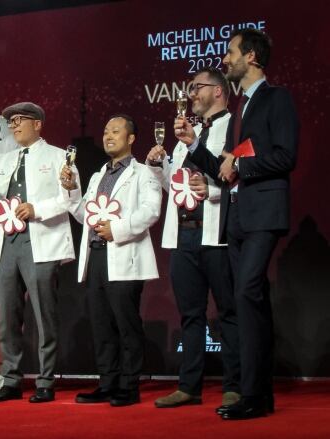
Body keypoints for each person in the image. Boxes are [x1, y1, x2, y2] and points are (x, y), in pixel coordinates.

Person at [174, 28, 299, 420]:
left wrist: (240, 164)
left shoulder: (276, 99)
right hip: (237, 217)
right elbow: (223, 171)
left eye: (230, 53)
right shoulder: (240, 111)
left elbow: (285, 156)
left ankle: (250, 392)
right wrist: (195, 146)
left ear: (253, 58)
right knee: (250, 300)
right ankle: (258, 394)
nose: (225, 59)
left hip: (263, 213)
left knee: (245, 294)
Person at [147, 68, 241, 409]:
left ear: (217, 91)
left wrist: (213, 189)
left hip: (216, 233)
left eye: (196, 88)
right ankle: (189, 386)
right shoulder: (190, 132)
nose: (191, 95)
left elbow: (235, 177)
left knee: (229, 311)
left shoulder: (235, 127)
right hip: (184, 236)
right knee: (190, 314)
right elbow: (178, 185)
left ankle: (235, 385)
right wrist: (160, 167)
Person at [0, 102, 81, 403]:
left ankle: (46, 380)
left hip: (40, 240)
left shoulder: (60, 156)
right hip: (7, 242)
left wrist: (37, 209)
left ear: (38, 124)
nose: (14, 126)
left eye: (20, 120)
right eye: (11, 122)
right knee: (8, 315)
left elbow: (69, 199)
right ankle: (11, 378)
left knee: (44, 314)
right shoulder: (2, 160)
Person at [64, 114, 161, 407]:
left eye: (116, 131)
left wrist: (116, 229)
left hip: (125, 255)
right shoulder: (97, 176)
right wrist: (71, 188)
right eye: (106, 131)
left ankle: (129, 386)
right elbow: (84, 214)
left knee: (126, 324)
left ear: (131, 138)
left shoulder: (143, 173)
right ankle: (107, 383)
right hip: (96, 257)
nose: (108, 136)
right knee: (102, 324)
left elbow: (151, 211)